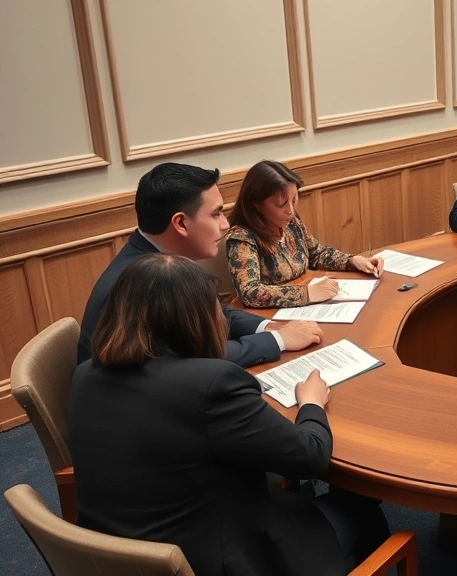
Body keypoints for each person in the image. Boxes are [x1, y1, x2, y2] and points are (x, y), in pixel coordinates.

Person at [69, 254, 390, 576]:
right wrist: (312, 403)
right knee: (363, 513)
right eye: (216, 307)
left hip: (114, 557)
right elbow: (311, 457)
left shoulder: (84, 375)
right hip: (211, 561)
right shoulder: (209, 385)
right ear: (195, 319)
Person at [77, 162, 323, 367]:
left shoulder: (158, 258)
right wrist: (278, 340)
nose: (225, 224)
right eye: (216, 214)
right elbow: (194, 359)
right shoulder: (144, 282)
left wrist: (266, 326)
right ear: (181, 224)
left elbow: (213, 311)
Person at [226, 160, 383, 308]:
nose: (291, 210)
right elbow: (250, 293)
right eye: (282, 204)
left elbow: (316, 253)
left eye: (294, 200)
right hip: (271, 317)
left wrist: (353, 261)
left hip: (305, 305)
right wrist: (306, 294)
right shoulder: (241, 237)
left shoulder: (291, 221)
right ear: (256, 205)